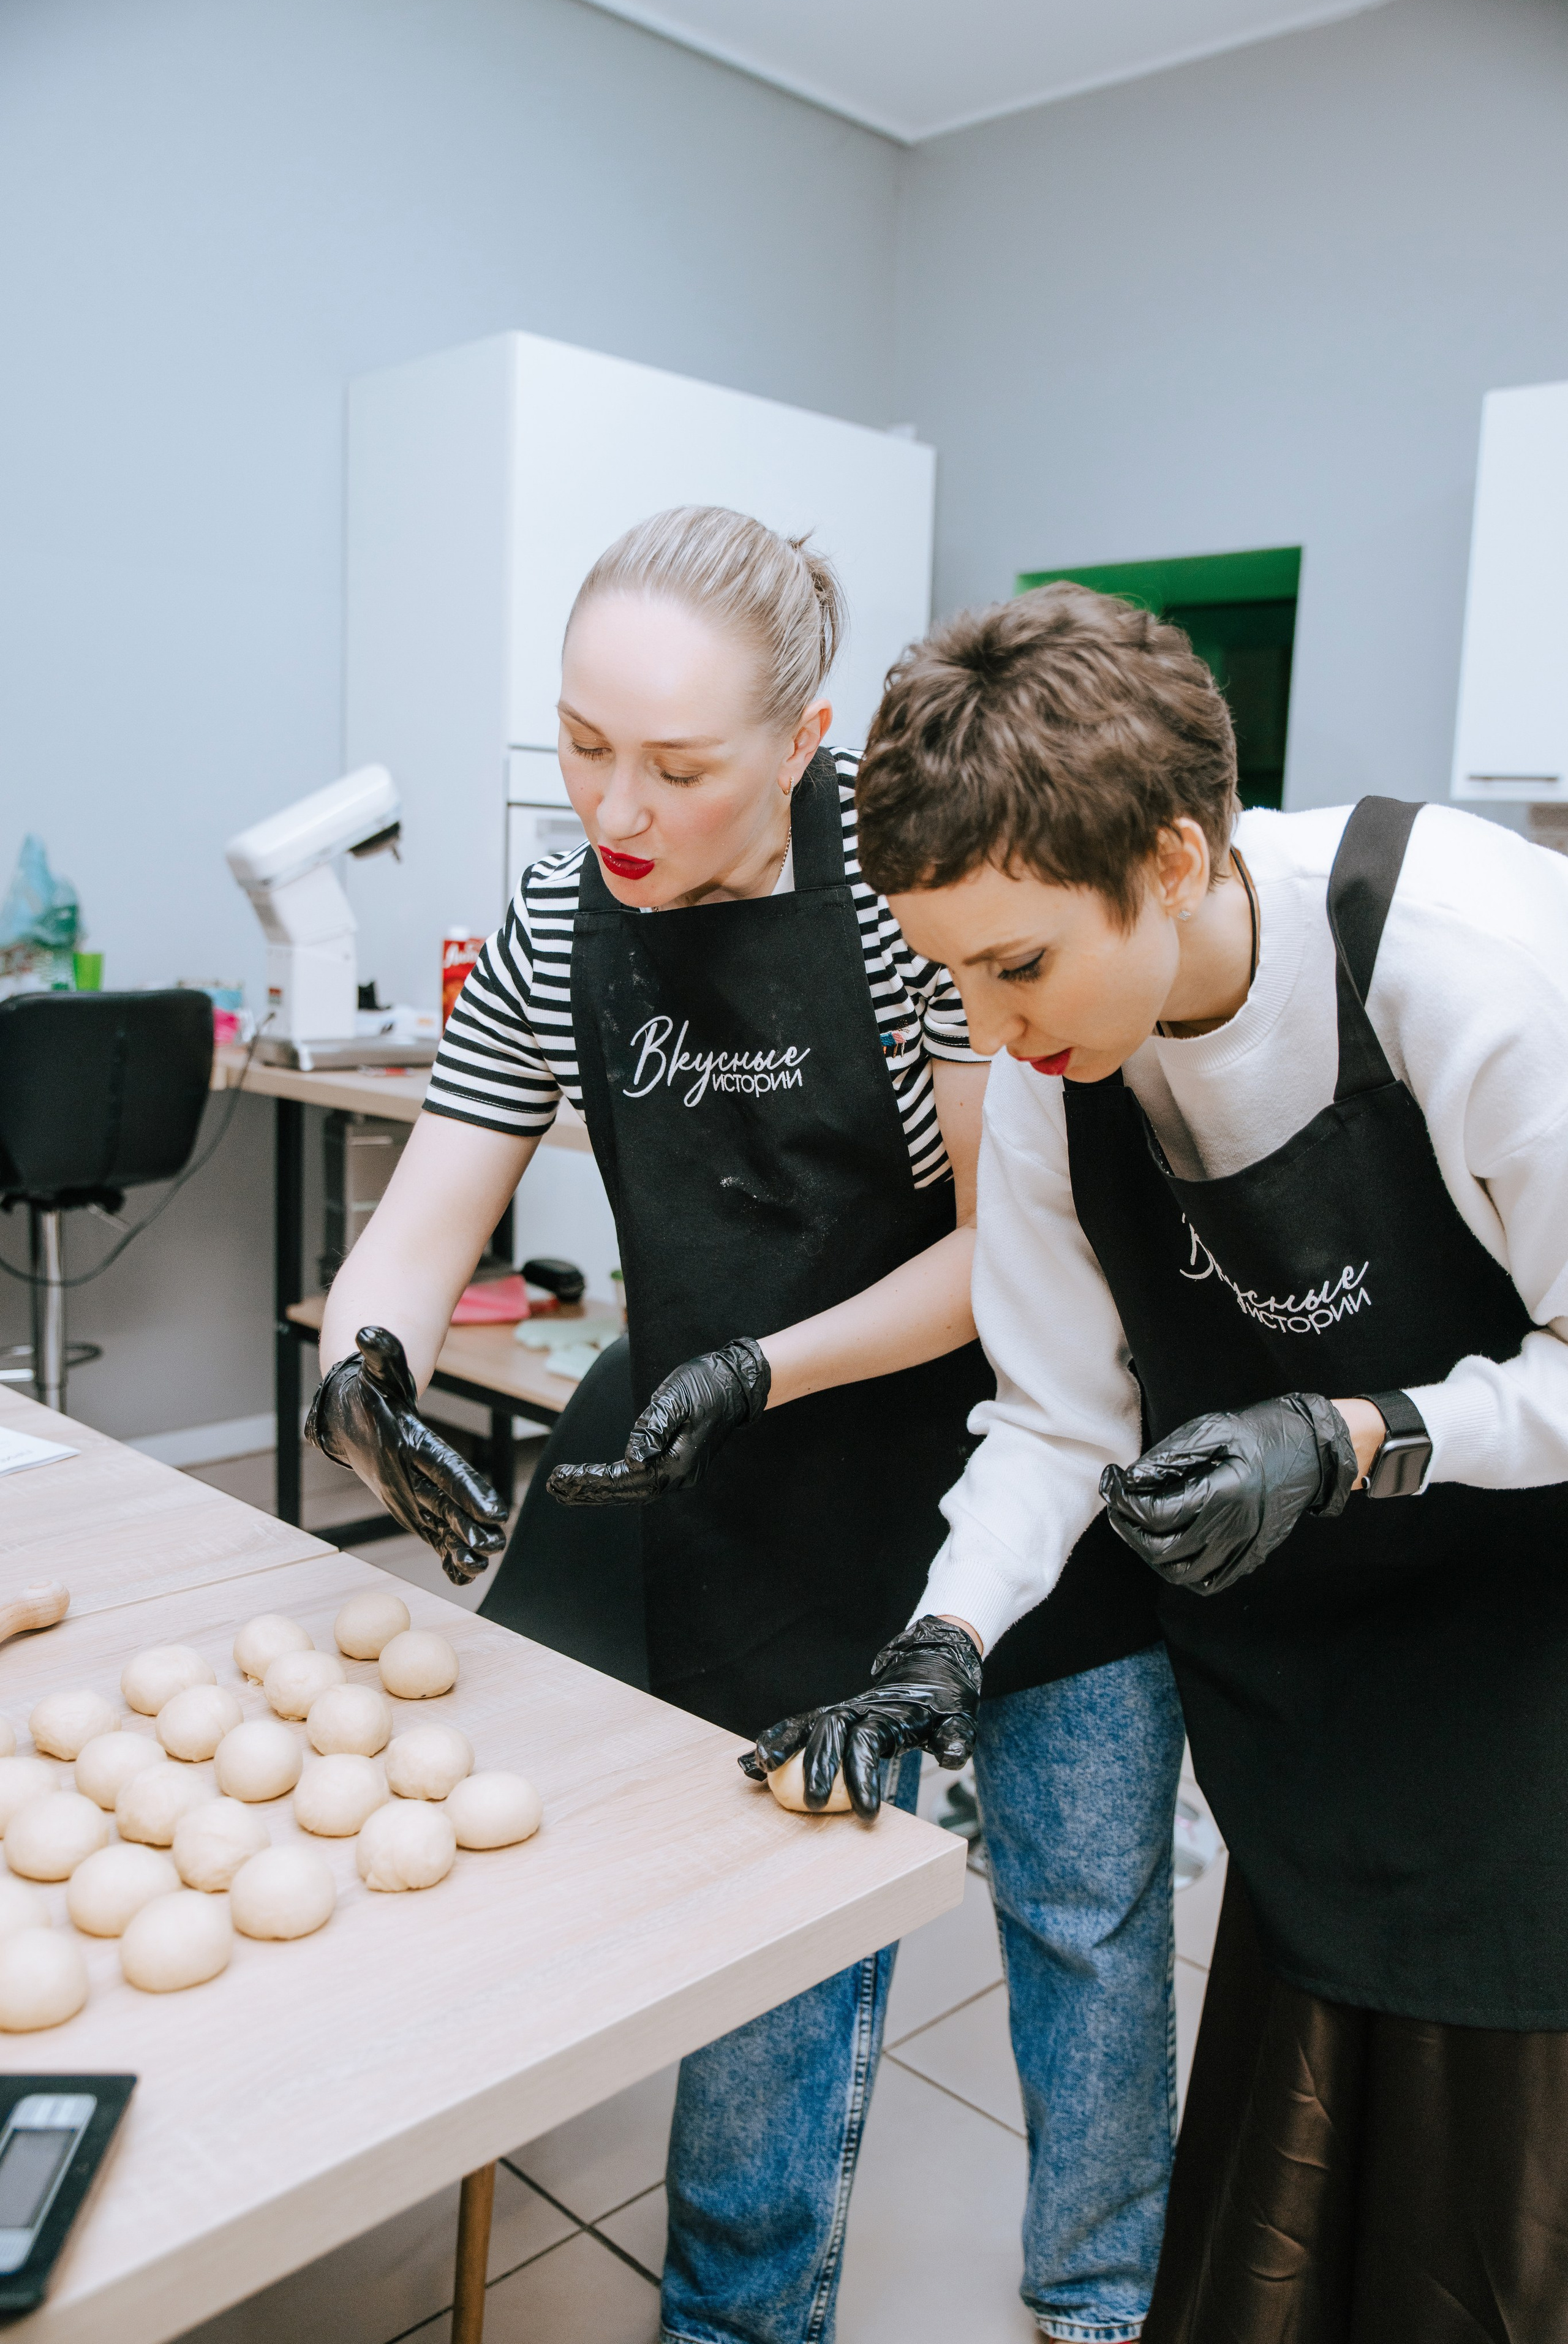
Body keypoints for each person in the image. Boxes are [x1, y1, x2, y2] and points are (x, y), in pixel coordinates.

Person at [308, 510, 1181, 2344]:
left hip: (1024, 1460)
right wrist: (361, 1365)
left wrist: (759, 1361)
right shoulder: (567, 909)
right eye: (581, 743)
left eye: (678, 768)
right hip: (759, 1509)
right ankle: (732, 2322)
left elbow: (1000, 1253)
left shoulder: (904, 885)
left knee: (1087, 1924)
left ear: (801, 744)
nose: (615, 807)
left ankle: (1103, 2304)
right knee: (770, 1973)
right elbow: (434, 1196)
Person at [759, 579, 1568, 2343]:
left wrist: (1357, 1434)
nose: (991, 1025)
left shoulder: (1472, 968)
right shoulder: (1058, 1053)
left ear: (1180, 854)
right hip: (1317, 1687)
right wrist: (941, 1642)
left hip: (1531, 1673)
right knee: (1309, 2159)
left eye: (1018, 962)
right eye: (951, 973)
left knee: (1495, 2196)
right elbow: (1058, 1411)